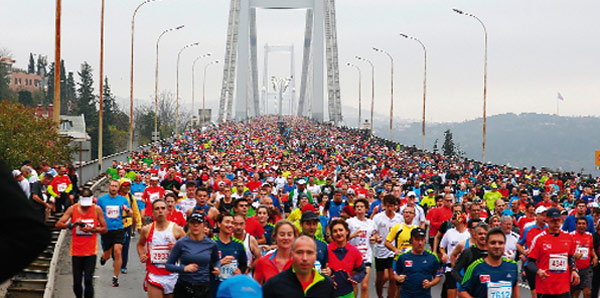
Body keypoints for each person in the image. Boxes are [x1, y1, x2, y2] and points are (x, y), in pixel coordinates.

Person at [56, 189, 108, 298]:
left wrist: (93, 229)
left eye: (87, 205)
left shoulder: (96, 209)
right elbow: (59, 224)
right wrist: (73, 224)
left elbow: (104, 229)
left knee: (88, 280)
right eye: (84, 205)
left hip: (90, 251)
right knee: (77, 283)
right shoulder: (73, 209)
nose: (86, 208)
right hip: (76, 251)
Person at [527, 207, 580, 298]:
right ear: (547, 220)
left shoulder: (568, 238)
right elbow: (530, 262)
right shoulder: (539, 239)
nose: (556, 223)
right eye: (553, 220)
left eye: (558, 220)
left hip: (563, 287)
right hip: (545, 288)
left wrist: (574, 270)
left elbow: (570, 256)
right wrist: (538, 271)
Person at [138, 199, 186, 297]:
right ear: (152, 212)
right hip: (154, 275)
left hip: (173, 275)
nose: (160, 211)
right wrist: (142, 254)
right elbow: (140, 244)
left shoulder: (176, 229)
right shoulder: (146, 229)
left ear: (167, 210)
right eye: (157, 209)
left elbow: (189, 248)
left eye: (163, 208)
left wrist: (176, 249)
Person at [165, 211, 220, 298]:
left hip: (203, 287)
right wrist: (184, 268)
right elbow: (168, 265)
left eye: (198, 223)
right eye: (193, 223)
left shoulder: (211, 244)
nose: (195, 225)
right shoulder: (181, 243)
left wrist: (217, 268)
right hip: (184, 286)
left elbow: (216, 260)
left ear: (204, 225)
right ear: (189, 225)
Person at [262, 235, 335, 298]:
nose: (304, 258)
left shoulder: (326, 284)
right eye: (299, 252)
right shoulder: (274, 285)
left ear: (315, 256)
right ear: (292, 255)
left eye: (309, 253)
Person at [458, 227, 520, 298]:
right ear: (486, 245)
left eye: (500, 243)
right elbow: (461, 291)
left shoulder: (512, 265)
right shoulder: (475, 266)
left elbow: (515, 286)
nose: (497, 246)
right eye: (493, 243)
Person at [96, 179, 132, 287]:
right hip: (106, 230)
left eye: (116, 186)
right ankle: (104, 257)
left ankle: (115, 277)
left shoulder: (123, 200)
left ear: (118, 188)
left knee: (117, 251)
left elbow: (131, 214)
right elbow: (96, 213)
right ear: (109, 187)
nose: (113, 188)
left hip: (119, 229)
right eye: (112, 186)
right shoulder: (101, 200)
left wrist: (127, 210)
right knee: (107, 254)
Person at [393, 227, 442, 298]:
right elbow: (395, 273)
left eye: (422, 240)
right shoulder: (403, 257)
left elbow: (438, 275)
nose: (420, 243)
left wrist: (430, 283)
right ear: (411, 241)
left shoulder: (432, 257)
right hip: (406, 295)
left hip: (424, 295)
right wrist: (398, 278)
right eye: (417, 239)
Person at [327, 218, 367, 298]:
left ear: (347, 231)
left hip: (347, 293)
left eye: (341, 230)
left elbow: (362, 270)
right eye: (335, 231)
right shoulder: (326, 250)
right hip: (328, 293)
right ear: (331, 235)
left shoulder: (354, 251)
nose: (338, 233)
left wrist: (355, 279)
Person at [373, 195, 402, 298]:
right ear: (384, 205)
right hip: (380, 251)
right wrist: (376, 238)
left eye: (392, 206)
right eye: (388, 206)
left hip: (393, 251)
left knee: (392, 278)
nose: (390, 209)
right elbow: (373, 233)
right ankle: (380, 296)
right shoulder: (378, 218)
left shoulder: (399, 218)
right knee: (380, 279)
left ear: (395, 206)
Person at [346, 198, 377, 298]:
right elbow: (343, 239)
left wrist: (374, 239)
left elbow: (374, 236)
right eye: (357, 207)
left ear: (366, 209)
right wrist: (353, 235)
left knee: (364, 285)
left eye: (362, 206)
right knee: (353, 284)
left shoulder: (371, 223)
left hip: (366, 256)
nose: (359, 208)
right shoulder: (349, 222)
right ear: (354, 209)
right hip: (353, 256)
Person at [254, 220, 297, 284]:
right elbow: (256, 287)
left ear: (294, 237)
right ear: (275, 236)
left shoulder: (299, 261)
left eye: (289, 235)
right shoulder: (263, 261)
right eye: (282, 235)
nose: (286, 238)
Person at [212, 212, 248, 282]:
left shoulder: (239, 244)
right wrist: (220, 263)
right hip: (215, 286)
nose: (230, 225)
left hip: (233, 286)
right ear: (219, 224)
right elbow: (204, 266)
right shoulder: (211, 244)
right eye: (227, 222)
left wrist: (240, 272)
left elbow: (243, 264)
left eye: (232, 223)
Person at [118, 178, 142, 274]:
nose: (127, 187)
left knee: (125, 246)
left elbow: (136, 212)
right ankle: (116, 260)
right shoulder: (115, 197)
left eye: (129, 186)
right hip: (115, 224)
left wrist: (139, 225)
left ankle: (123, 265)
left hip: (127, 224)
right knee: (115, 246)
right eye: (125, 185)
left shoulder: (131, 198)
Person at [571, 217, 597, 298]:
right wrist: (574, 254)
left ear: (586, 225)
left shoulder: (589, 235)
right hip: (575, 269)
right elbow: (566, 250)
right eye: (579, 223)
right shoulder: (571, 236)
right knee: (575, 294)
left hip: (586, 268)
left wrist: (595, 256)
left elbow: (591, 248)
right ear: (576, 225)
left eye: (583, 224)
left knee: (588, 292)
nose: (581, 226)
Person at [299, 210, 330, 274]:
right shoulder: (294, 244)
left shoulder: (322, 245)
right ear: (301, 224)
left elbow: (325, 266)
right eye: (308, 224)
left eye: (314, 224)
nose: (312, 227)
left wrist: (328, 271)